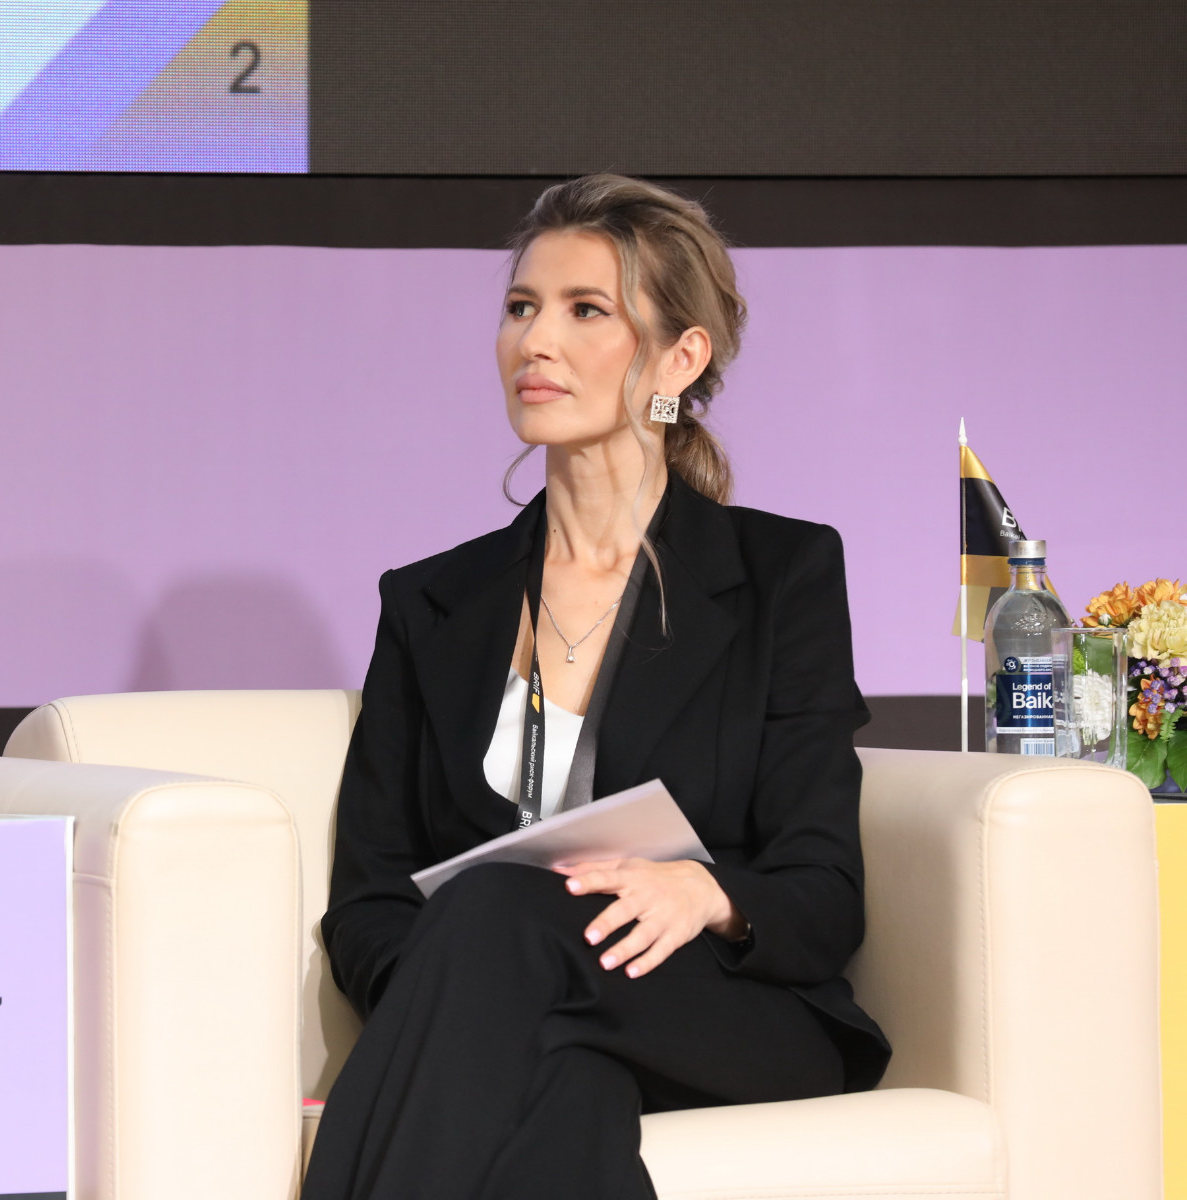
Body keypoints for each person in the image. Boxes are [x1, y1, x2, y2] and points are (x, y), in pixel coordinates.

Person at [301, 174, 892, 1200]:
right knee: (562, 1086)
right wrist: (463, 990)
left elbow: (824, 890)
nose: (534, 342)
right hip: (521, 1016)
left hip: (720, 1008)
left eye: (585, 311)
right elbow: (370, 898)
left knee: (498, 911)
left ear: (679, 357)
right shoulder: (431, 602)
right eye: (520, 307)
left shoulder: (781, 575)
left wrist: (705, 893)